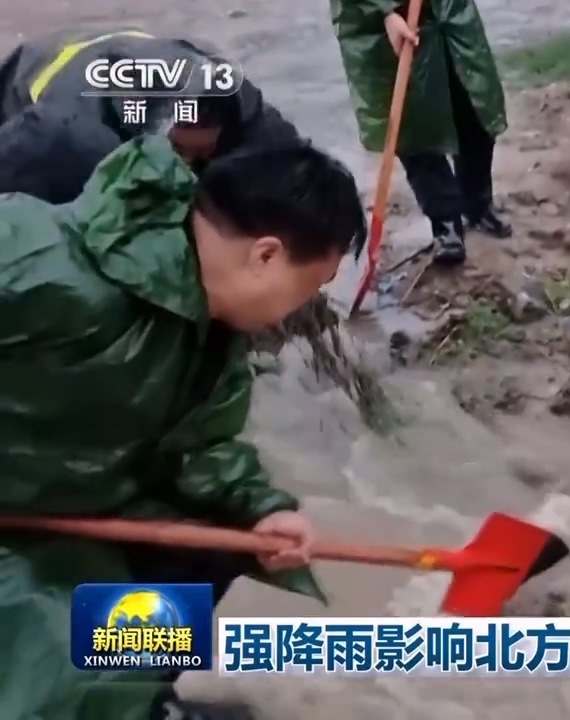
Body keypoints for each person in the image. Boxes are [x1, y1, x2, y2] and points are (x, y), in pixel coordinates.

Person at [0, 135, 366, 720]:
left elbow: (199, 444)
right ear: (266, 255)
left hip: (69, 505)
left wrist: (260, 509)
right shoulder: (40, 255)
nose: (302, 308)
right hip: (17, 526)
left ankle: (145, 696)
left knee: (208, 546)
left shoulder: (211, 328)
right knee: (59, 657)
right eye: (310, 288)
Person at [0, 29, 302, 203]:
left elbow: (289, 158)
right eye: (178, 152)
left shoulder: (233, 98)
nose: (187, 167)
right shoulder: (74, 135)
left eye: (201, 156)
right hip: (25, 86)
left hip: (123, 50)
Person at [333, 0, 510, 266]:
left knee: (474, 108)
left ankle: (478, 204)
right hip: (381, 26)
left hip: (450, 13)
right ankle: (446, 223)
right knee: (414, 128)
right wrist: (386, 12)